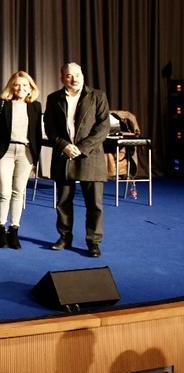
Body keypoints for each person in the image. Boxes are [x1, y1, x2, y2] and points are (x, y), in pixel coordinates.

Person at [45, 62, 110, 257]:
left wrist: (81, 149)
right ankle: (65, 237)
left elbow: (103, 127)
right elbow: (50, 127)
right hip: (64, 156)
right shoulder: (53, 98)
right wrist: (64, 145)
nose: (74, 79)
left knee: (94, 204)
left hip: (90, 156)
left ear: (83, 74)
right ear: (62, 77)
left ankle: (93, 242)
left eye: (77, 74)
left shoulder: (98, 96)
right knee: (63, 202)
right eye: (69, 76)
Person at [0, 70, 42, 249]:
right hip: (4, 152)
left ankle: (14, 230)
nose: (21, 88)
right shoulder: (0, 104)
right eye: (17, 84)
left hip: (25, 153)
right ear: (11, 86)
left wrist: (36, 156)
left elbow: (37, 134)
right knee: (4, 192)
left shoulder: (35, 106)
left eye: (25, 85)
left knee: (19, 192)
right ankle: (0, 227)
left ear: (31, 88)